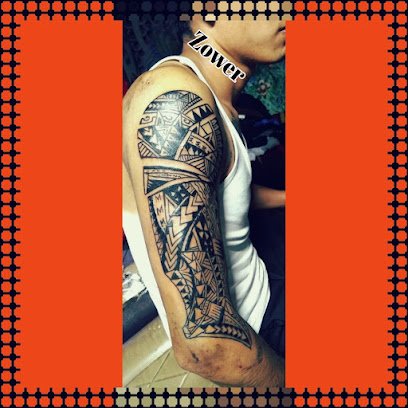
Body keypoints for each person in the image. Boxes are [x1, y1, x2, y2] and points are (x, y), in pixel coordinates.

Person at [122, 14, 286, 387]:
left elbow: (223, 193)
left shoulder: (210, 89)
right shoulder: (173, 101)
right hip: (261, 326)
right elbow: (206, 345)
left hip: (265, 277)